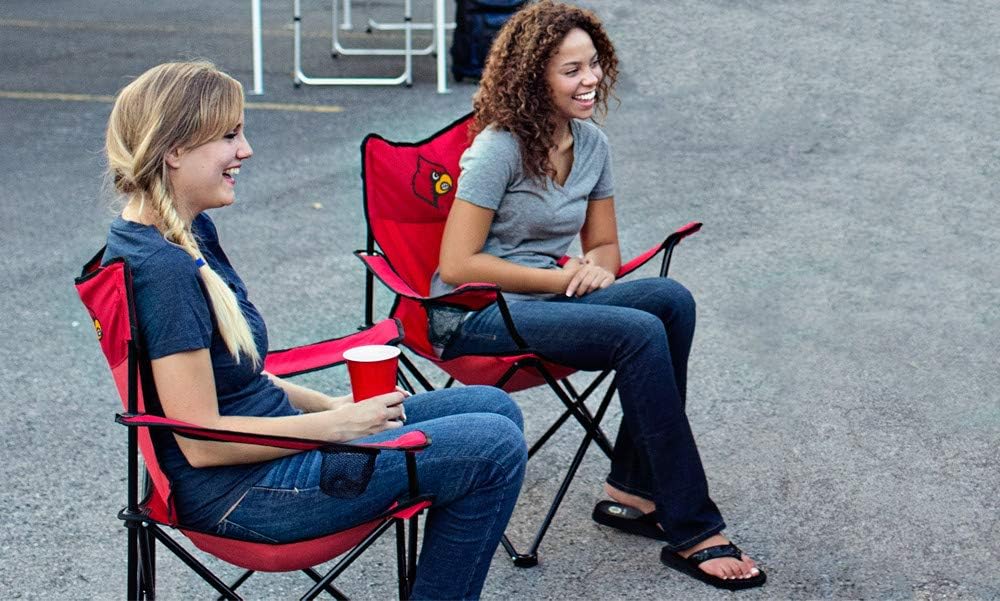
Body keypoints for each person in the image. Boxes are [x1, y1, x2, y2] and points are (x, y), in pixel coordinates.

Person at [102, 61, 526, 600]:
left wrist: (332, 405)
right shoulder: (163, 268)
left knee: (494, 407)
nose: (246, 149)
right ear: (174, 150)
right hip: (246, 493)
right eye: (229, 135)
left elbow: (242, 380)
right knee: (490, 447)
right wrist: (339, 427)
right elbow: (203, 441)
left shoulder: (181, 233)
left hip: (274, 450)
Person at [429, 0, 766, 591]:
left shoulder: (590, 144)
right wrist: (567, 279)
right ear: (533, 77)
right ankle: (692, 526)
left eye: (593, 65)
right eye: (570, 70)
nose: (590, 81)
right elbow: (457, 263)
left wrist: (592, 271)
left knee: (670, 300)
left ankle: (631, 490)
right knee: (638, 331)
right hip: (475, 314)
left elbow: (604, 245)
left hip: (547, 305)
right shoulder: (497, 148)